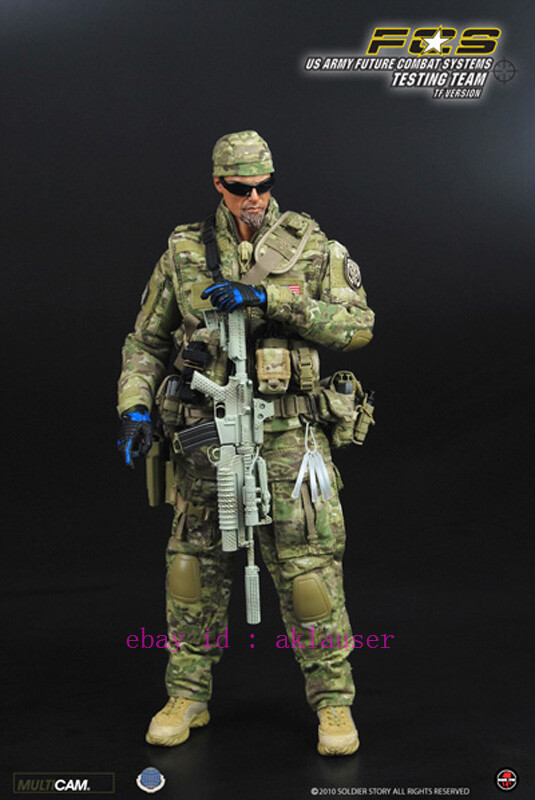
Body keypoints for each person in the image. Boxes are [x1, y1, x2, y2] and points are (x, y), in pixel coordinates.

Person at [117, 130, 375, 756]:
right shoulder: (184, 251)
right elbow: (146, 341)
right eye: (240, 188)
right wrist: (135, 405)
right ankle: (187, 693)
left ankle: (333, 702)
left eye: (263, 186)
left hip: (288, 438)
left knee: (309, 575)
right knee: (192, 570)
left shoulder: (311, 246)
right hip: (207, 439)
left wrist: (270, 297)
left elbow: (357, 325)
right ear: (219, 185)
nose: (254, 198)